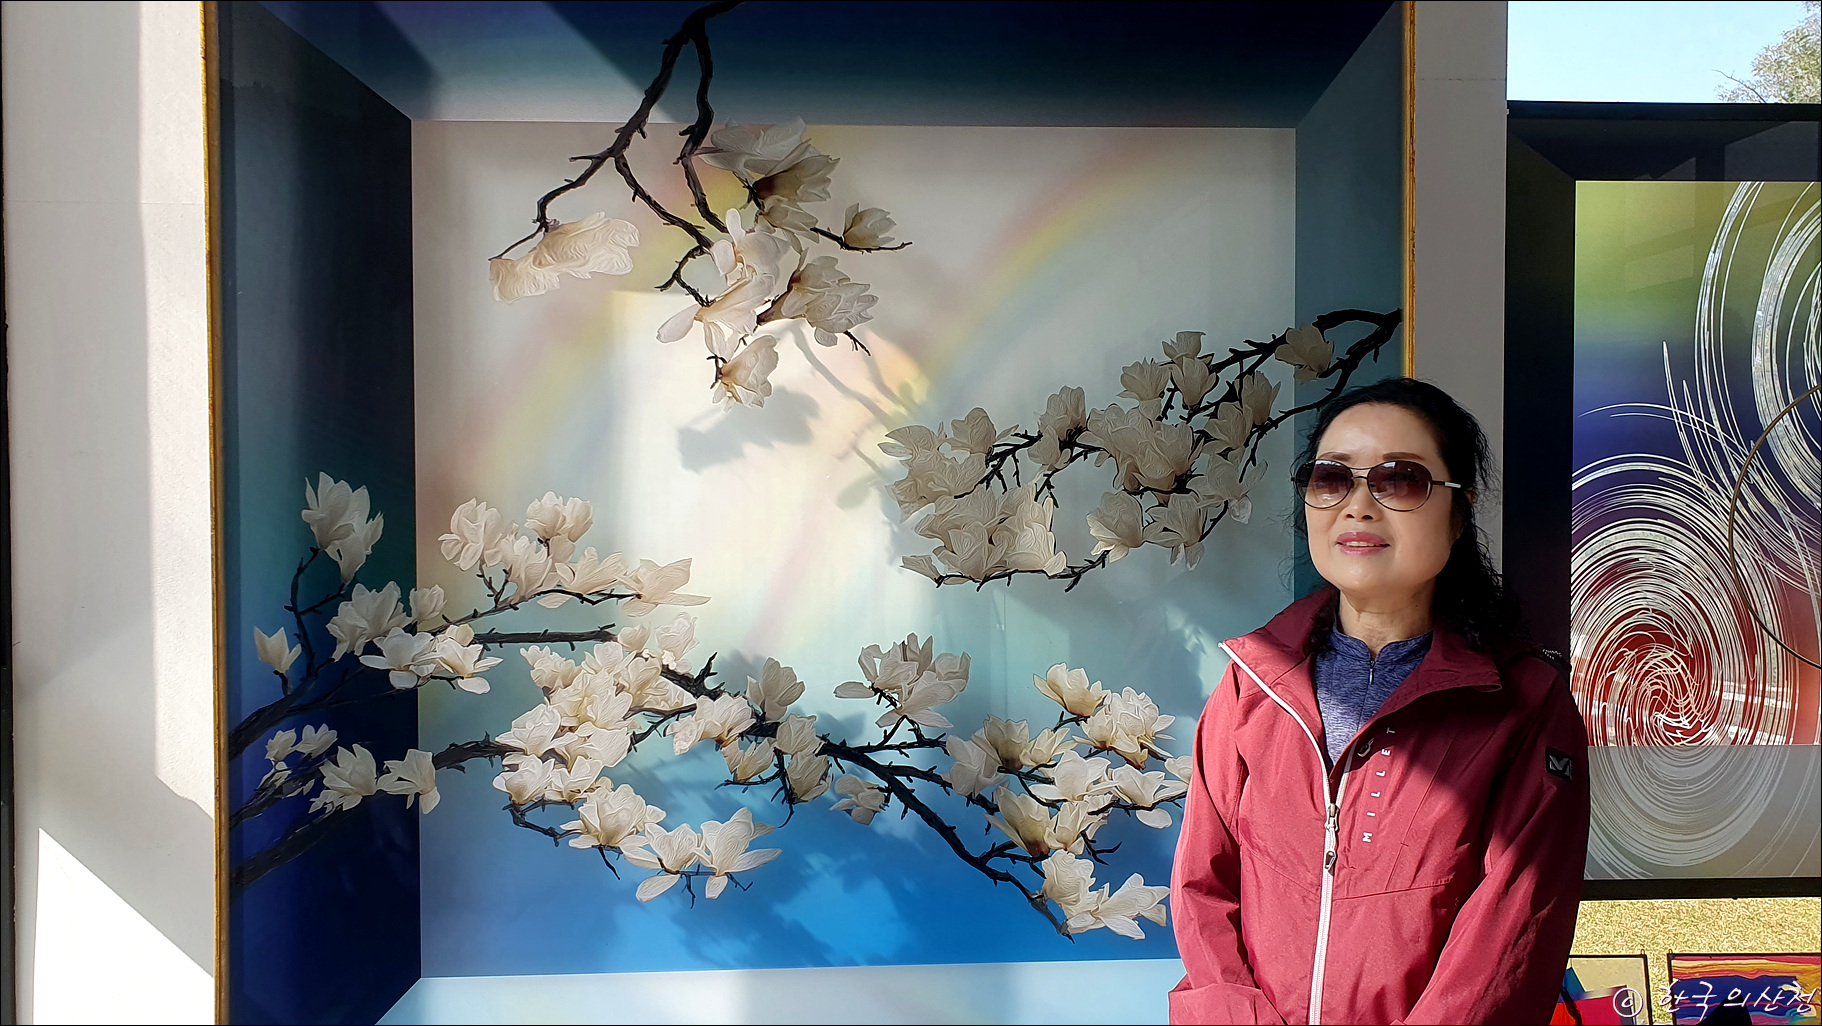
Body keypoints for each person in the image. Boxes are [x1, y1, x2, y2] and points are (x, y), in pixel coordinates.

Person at [1169, 378, 1590, 1025]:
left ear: (1458, 513)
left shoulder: (1525, 703)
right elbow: (1202, 892)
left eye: (1400, 480)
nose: (1358, 506)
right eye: (1331, 479)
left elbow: (1511, 940)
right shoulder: (1250, 685)